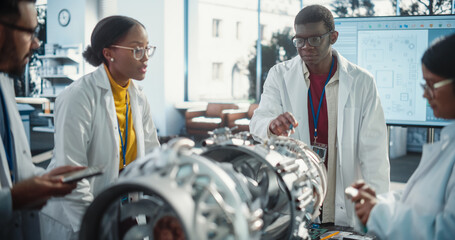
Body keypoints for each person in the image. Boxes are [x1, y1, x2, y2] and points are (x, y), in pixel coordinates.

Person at [249, 4, 390, 227]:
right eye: (300, 40)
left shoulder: (362, 81)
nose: (306, 47)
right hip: (298, 189)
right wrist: (271, 125)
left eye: (315, 39)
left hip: (342, 190)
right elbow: (258, 122)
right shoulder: (279, 75)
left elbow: (374, 152)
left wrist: (379, 210)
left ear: (333, 37)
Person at [40, 16, 161, 239]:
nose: (145, 58)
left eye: (147, 49)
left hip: (121, 207)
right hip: (75, 214)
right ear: (109, 53)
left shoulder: (138, 97)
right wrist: (93, 225)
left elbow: (153, 158)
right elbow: (71, 175)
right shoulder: (79, 96)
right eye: (136, 50)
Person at [349, 33, 455, 240]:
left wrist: (379, 213)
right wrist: (379, 203)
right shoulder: (448, 142)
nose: (425, 94)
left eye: (432, 85)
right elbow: (420, 200)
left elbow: (446, 232)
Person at [0, 0, 83, 239]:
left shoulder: (5, 80)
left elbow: (14, 167)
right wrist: (14, 199)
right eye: (30, 32)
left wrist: (42, 180)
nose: (36, 44)